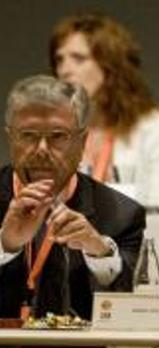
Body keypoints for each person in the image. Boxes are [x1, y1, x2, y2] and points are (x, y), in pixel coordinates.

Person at [0, 75, 145, 319]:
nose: (42, 150)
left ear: (82, 142)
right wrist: (5, 246)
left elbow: (132, 312)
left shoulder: (121, 214)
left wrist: (99, 253)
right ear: (10, 138)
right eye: (28, 136)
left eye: (58, 136)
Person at [50, 12, 159, 213]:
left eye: (78, 58)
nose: (64, 70)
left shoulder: (156, 127)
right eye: (59, 60)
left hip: (132, 241)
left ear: (110, 67)